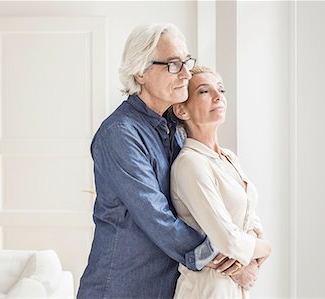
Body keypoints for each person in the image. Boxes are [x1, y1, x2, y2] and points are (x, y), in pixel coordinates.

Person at [77, 24, 255, 299]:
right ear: (140, 72)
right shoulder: (120, 134)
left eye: (186, 62)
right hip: (121, 288)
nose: (185, 73)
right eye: (172, 64)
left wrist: (253, 244)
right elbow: (159, 217)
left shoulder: (177, 131)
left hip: (167, 287)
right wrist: (231, 262)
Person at [169, 65, 272, 298]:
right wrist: (266, 248)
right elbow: (228, 240)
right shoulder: (190, 164)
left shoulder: (228, 157)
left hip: (234, 288)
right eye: (205, 91)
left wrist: (252, 257)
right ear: (182, 110)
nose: (218, 97)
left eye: (221, 90)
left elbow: (250, 218)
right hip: (207, 288)